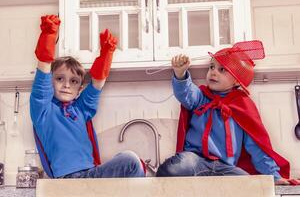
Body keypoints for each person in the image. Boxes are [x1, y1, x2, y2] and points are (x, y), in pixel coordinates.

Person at [156, 40, 300, 185]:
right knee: (172, 169)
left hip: (225, 168)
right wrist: (180, 74)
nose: (213, 72)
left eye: (222, 69)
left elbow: (256, 147)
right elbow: (186, 93)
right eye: (211, 67)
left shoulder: (243, 106)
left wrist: (274, 177)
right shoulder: (201, 96)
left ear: (237, 81)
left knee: (251, 185)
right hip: (195, 160)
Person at [30, 15, 145, 178]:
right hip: (68, 180)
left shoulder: (80, 110)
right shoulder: (43, 111)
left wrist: (106, 53)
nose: (67, 85)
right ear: (50, 81)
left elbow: (97, 83)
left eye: (74, 81)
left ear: (79, 89)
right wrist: (49, 35)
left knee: (130, 161)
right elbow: (43, 73)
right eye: (59, 78)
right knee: (130, 160)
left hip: (90, 175)